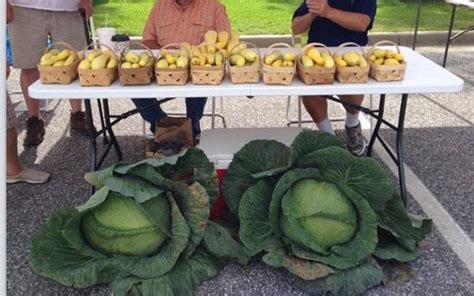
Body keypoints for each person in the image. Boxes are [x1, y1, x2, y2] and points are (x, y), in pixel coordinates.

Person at [133, 0, 231, 140]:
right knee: (135, 80)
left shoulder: (215, 7)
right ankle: (160, 124)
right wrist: (164, 55)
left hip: (199, 66)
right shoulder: (160, 6)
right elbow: (148, 39)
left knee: (201, 81)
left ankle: (192, 127)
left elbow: (225, 41)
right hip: (163, 65)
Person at [292, 0, 376, 156]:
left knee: (353, 86)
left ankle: (352, 125)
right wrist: (312, 14)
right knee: (311, 91)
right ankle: (329, 137)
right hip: (318, 55)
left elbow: (362, 23)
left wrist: (327, 12)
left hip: (352, 53)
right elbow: (296, 28)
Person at [8, 0, 94, 147]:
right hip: (23, 7)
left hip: (69, 8)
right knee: (29, 66)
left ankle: (77, 114)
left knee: (75, 64)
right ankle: (34, 120)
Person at [6, 5, 50, 184]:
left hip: (66, 8)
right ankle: (34, 122)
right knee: (6, 120)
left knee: (7, 120)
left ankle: (12, 169)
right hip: (23, 7)